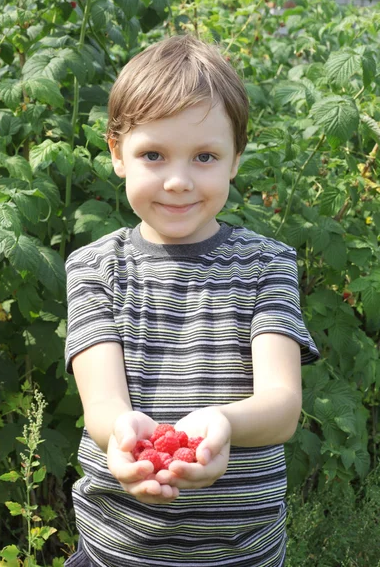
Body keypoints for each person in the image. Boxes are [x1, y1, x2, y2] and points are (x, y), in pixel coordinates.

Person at [64, 33, 320, 567]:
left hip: (239, 551)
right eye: (153, 154)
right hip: (119, 547)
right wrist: (123, 432)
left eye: (204, 156)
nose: (178, 181)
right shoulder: (95, 267)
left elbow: (281, 407)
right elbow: (103, 408)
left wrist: (221, 423)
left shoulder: (267, 264)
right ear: (117, 154)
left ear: (235, 161)